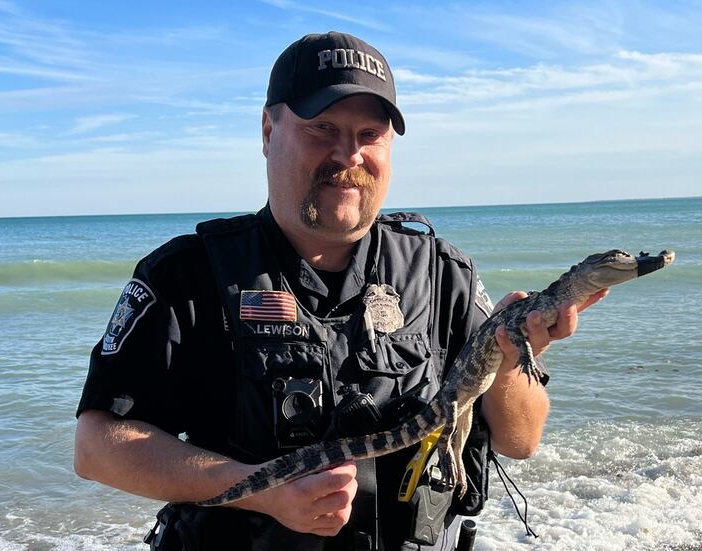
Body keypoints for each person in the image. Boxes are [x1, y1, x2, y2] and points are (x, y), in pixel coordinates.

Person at [73, 31, 606, 550]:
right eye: (322, 127)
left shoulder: (443, 274)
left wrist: (510, 361)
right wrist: (264, 491)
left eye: (369, 134)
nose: (348, 154)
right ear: (267, 131)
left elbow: (521, 439)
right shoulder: (188, 275)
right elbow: (98, 448)